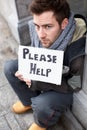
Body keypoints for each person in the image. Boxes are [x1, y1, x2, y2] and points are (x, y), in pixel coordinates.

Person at [4, 0, 87, 130]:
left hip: (64, 86)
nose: (40, 35)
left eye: (48, 26)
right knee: (10, 68)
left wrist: (36, 81)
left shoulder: (76, 48)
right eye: (37, 26)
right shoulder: (39, 29)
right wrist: (29, 64)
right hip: (45, 73)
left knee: (43, 104)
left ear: (64, 23)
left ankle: (42, 122)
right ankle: (28, 101)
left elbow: (74, 85)